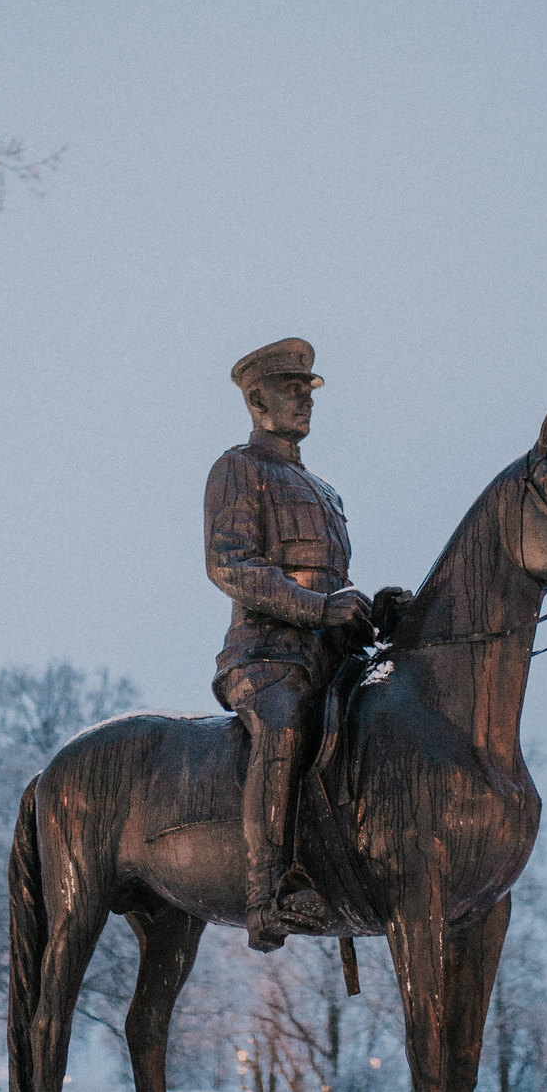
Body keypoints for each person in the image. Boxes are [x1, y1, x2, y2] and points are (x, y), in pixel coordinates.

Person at [204, 338, 371, 952]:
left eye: (309, 389)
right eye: (292, 388)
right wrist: (318, 609)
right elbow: (232, 567)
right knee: (283, 725)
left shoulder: (325, 490)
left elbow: (334, 582)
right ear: (255, 399)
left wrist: (368, 609)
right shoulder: (237, 470)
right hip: (265, 659)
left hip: (330, 659)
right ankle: (266, 892)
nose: (305, 399)